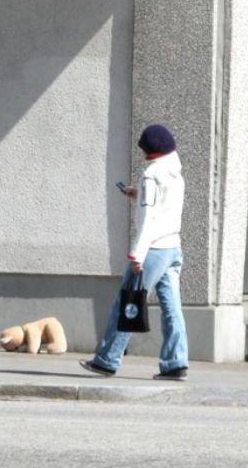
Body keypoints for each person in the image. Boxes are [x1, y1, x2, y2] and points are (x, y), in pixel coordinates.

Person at [80, 124, 189, 381]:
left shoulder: (151, 174)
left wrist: (137, 255)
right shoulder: (175, 172)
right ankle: (176, 363)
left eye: (142, 149)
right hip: (173, 247)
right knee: (172, 307)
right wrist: (137, 194)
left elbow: (150, 217)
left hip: (152, 250)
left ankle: (107, 359)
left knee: (127, 303)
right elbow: (164, 204)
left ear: (149, 151)